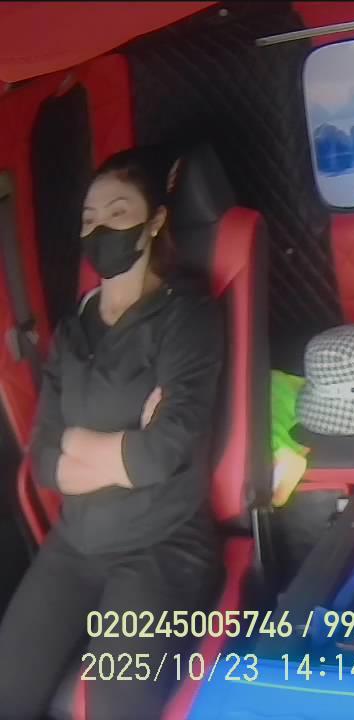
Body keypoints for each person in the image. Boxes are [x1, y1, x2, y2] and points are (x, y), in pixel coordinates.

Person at [0, 147, 225, 719]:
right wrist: (113, 450)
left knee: (114, 706)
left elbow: (161, 453)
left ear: (155, 221)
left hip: (162, 546)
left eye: (118, 212)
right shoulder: (73, 329)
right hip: (75, 543)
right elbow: (43, 458)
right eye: (89, 218)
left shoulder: (187, 319)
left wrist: (76, 442)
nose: (100, 228)